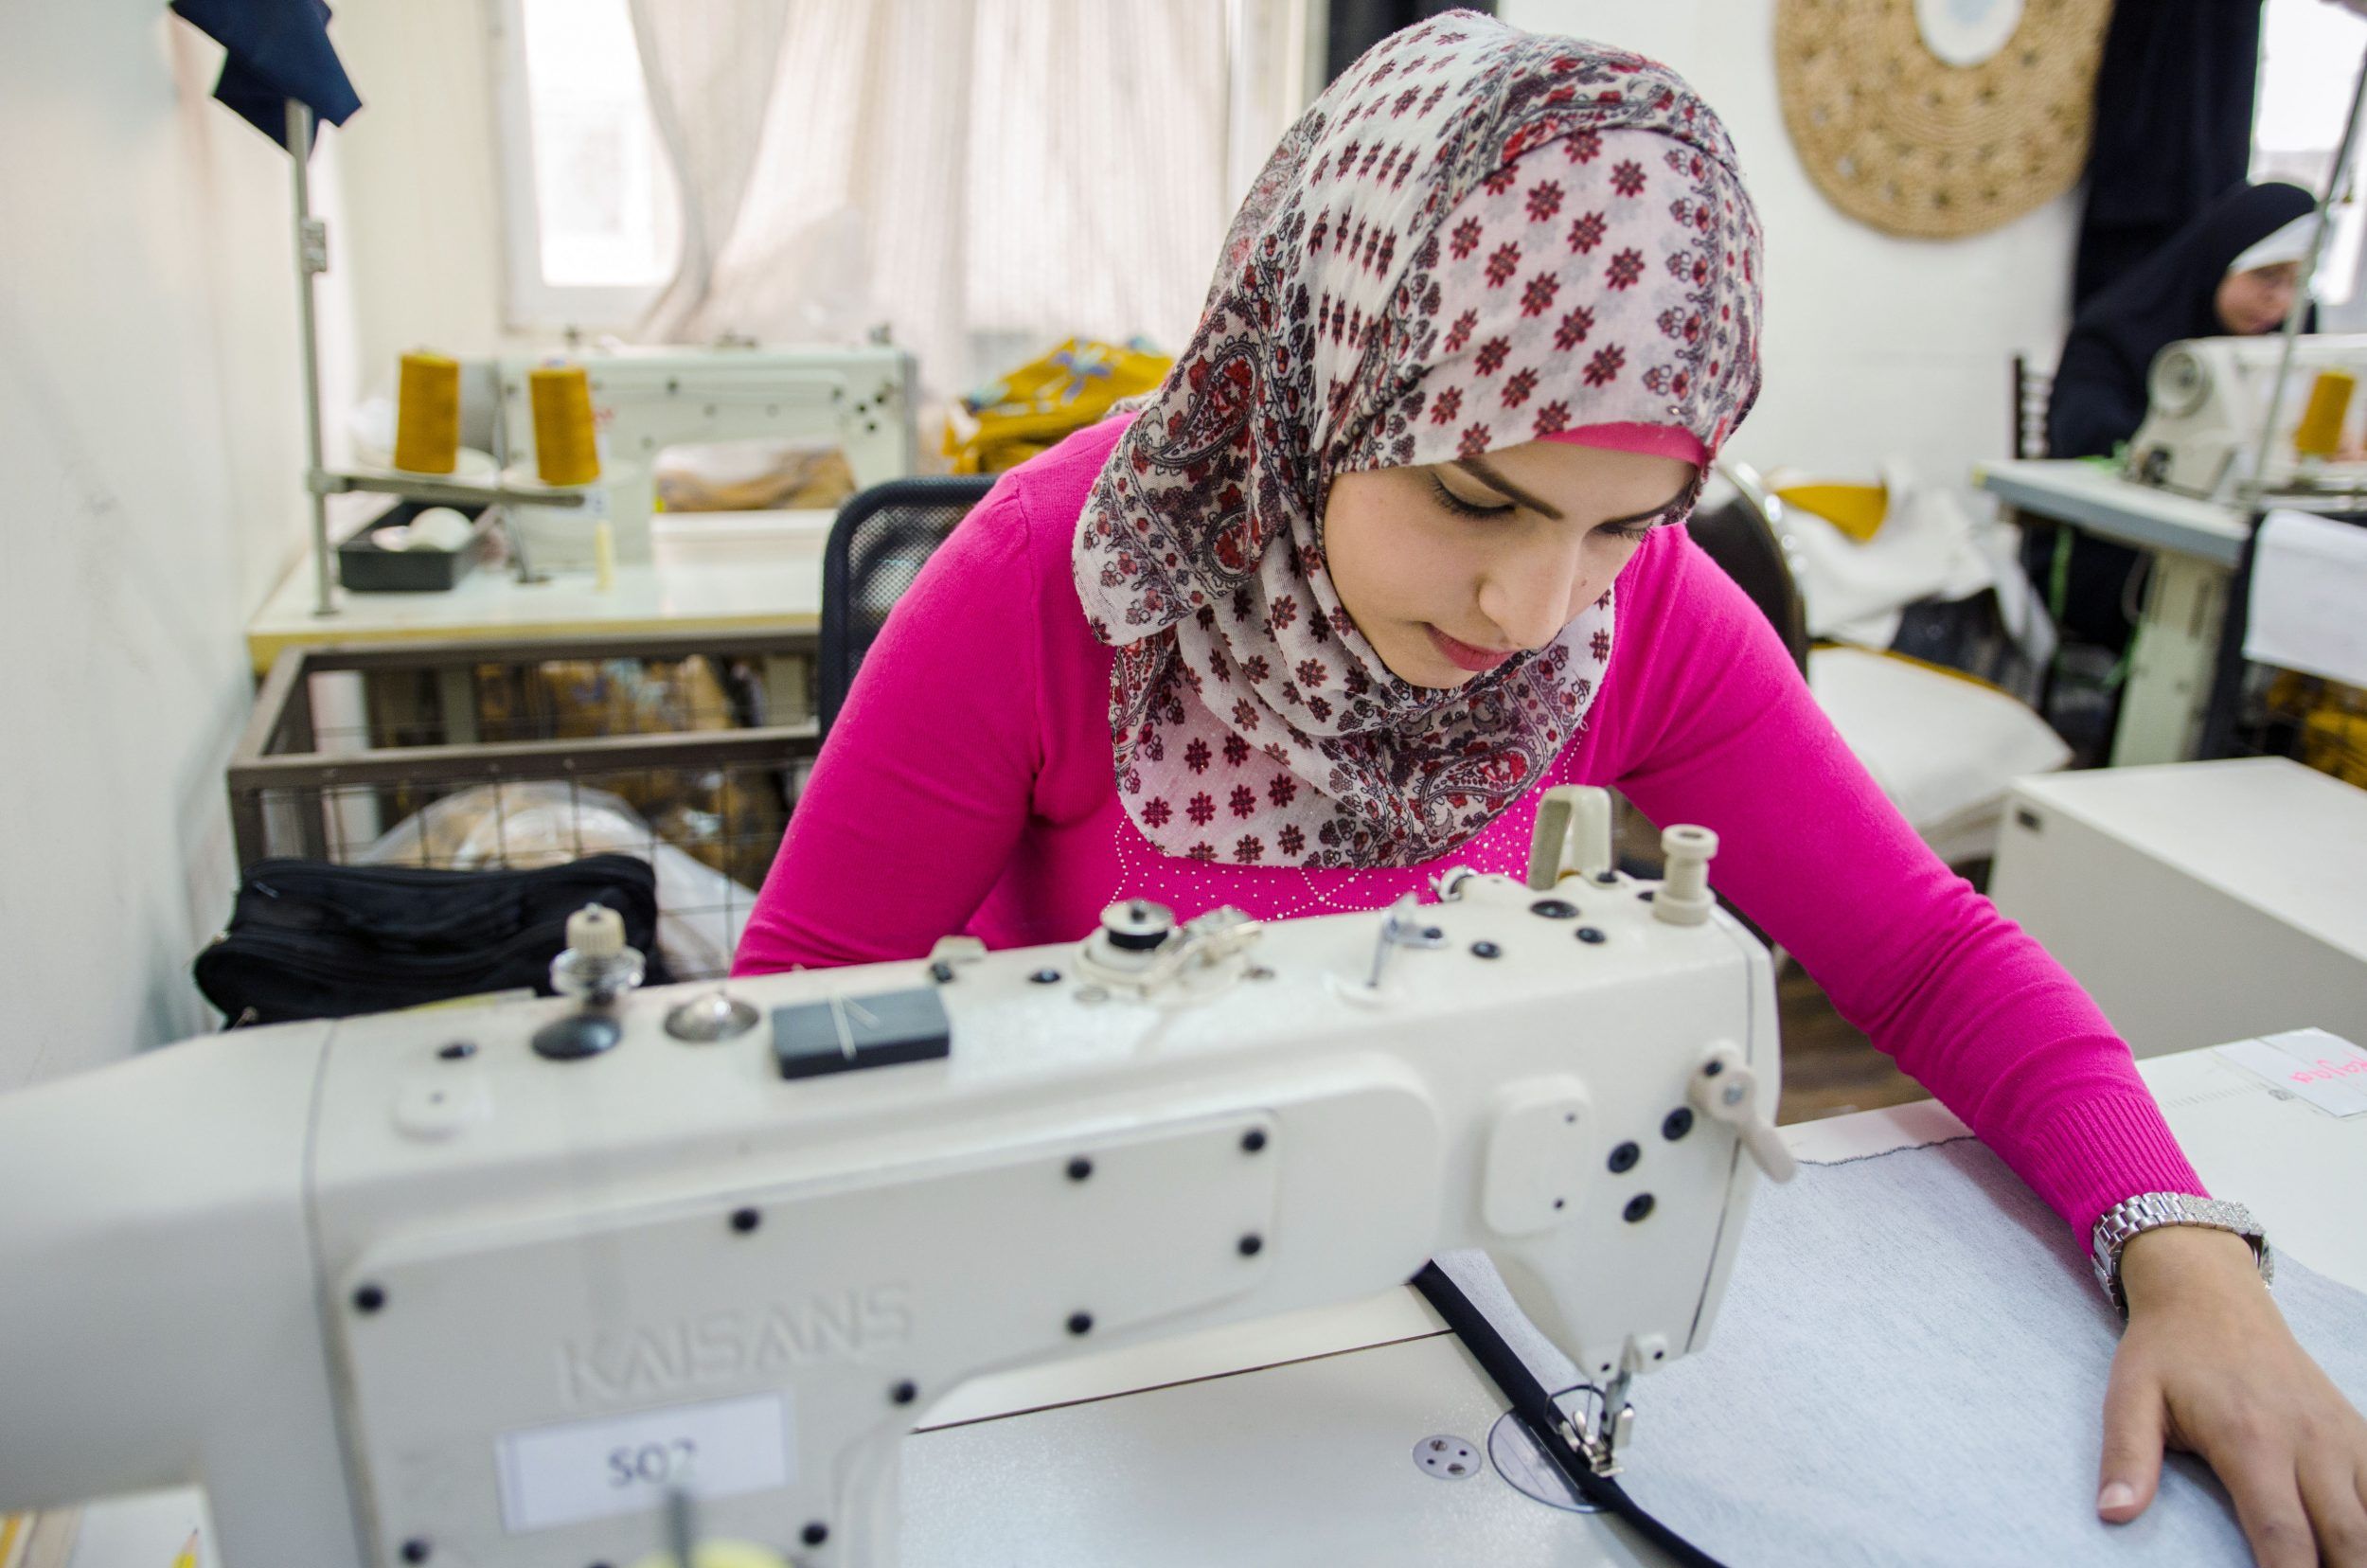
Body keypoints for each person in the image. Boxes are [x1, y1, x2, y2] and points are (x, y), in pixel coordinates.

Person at [739, 18, 2367, 1561]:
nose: (1533, 612)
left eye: (1625, 524)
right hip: (1073, 1332)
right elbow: (784, 1023)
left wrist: (2182, 1249)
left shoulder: (1629, 622)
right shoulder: (1060, 583)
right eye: (1477, 499)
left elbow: (1928, 955)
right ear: (1324, 362)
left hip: (1404, 1305)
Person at [2036, 180, 2320, 647]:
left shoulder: (2288, 346)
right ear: (2221, 259)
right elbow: (2088, 438)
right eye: (2266, 278)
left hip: (2233, 546)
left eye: (2298, 283)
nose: (2281, 302)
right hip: (2112, 550)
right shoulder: (2115, 332)